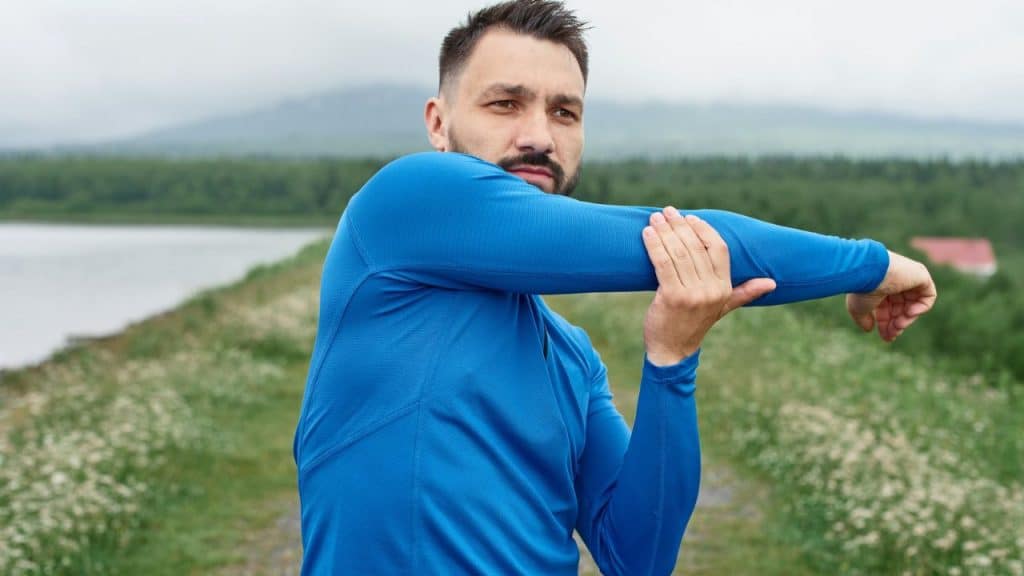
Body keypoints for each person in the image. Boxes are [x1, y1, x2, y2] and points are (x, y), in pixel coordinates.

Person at [292, 1, 937, 574]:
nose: (539, 135)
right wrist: (875, 266)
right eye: (505, 103)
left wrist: (672, 362)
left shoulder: (569, 355)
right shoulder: (403, 203)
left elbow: (637, 556)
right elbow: (690, 239)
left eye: (564, 112)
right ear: (438, 123)